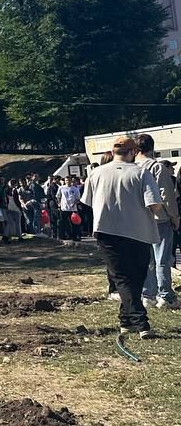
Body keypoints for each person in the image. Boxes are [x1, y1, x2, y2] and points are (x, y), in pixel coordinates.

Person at [83, 136, 165, 339]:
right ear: (132, 152)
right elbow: (154, 204)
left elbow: (89, 201)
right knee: (135, 276)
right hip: (138, 232)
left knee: (121, 277)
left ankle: (125, 320)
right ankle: (141, 322)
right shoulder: (141, 172)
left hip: (107, 230)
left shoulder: (97, 173)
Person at [133, 134, 179, 311]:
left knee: (146, 260)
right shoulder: (157, 167)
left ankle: (147, 294)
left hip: (138, 220)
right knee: (162, 259)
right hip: (159, 218)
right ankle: (166, 295)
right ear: (152, 147)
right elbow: (166, 195)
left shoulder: (132, 168)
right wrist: (175, 217)